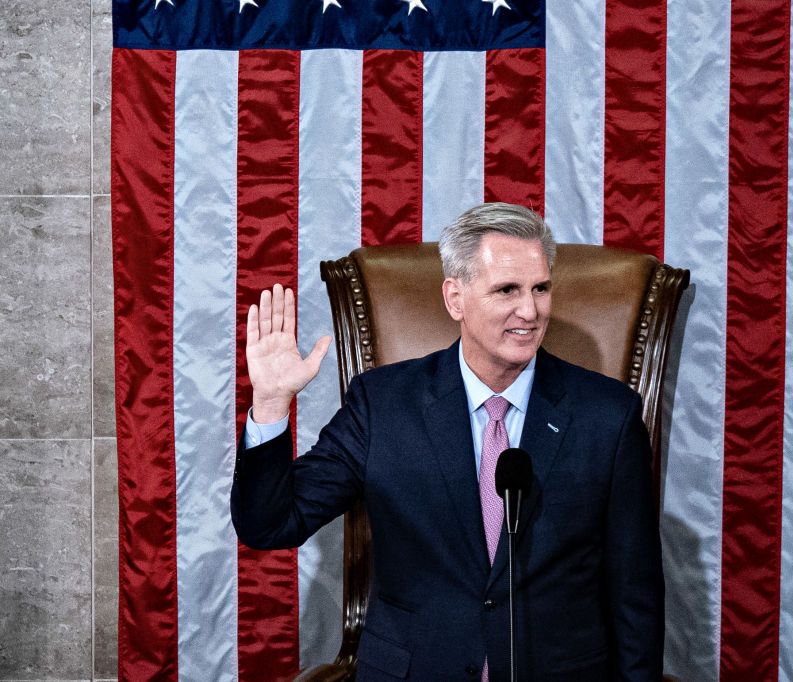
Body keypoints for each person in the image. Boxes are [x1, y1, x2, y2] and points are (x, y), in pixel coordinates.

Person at [231, 203, 664, 681]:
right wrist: (270, 404)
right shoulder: (384, 405)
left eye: (540, 288)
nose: (531, 310)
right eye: (507, 290)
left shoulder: (607, 415)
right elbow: (271, 524)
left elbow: (634, 594)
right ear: (455, 299)